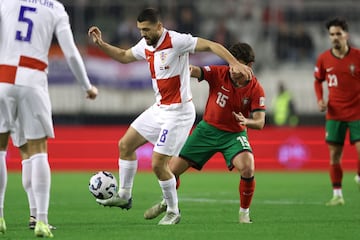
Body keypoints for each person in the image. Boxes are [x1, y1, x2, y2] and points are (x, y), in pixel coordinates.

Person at [88, 8, 253, 225]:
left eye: (146, 29)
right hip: (160, 109)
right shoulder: (145, 45)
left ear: (159, 26)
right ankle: (124, 195)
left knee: (158, 163)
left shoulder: (177, 41)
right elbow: (124, 56)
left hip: (179, 112)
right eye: (140, 30)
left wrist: (234, 63)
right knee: (125, 145)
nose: (143, 34)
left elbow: (212, 45)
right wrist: (101, 43)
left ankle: (173, 211)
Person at [0, 0, 98, 237]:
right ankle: (41, 221)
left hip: (3, 76)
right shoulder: (55, 8)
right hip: (33, 79)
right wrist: (87, 86)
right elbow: (71, 53)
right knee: (38, 151)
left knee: (1, 150)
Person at [143, 42, 266, 223]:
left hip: (234, 135)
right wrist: (181, 67)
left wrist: (246, 121)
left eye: (237, 64)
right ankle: (167, 204)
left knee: (248, 167)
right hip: (206, 131)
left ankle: (244, 214)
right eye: (230, 63)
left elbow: (260, 122)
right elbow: (195, 70)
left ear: (248, 66)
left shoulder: (256, 89)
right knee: (171, 170)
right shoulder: (220, 73)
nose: (232, 69)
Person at [313, 17, 360, 206]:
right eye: (331, 34)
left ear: (346, 35)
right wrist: (320, 99)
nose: (334, 38)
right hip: (334, 114)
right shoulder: (323, 59)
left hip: (357, 113)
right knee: (334, 156)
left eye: (338, 34)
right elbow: (318, 80)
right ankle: (337, 194)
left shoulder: (357, 57)